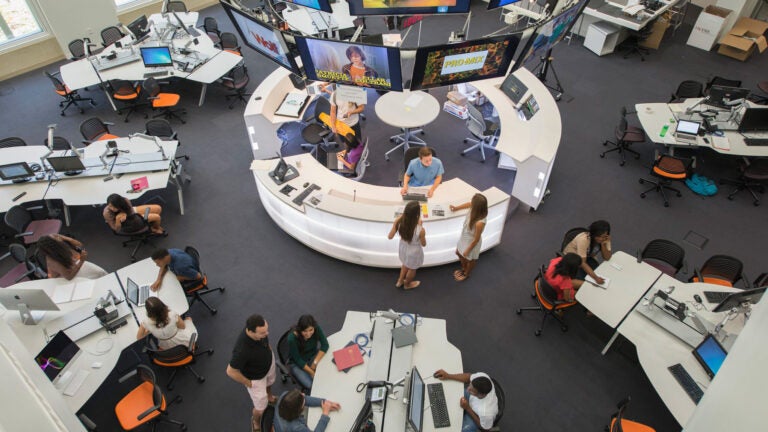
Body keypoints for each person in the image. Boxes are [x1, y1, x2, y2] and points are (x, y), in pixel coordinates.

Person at [227, 314, 277, 432]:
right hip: (256, 377)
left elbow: (266, 340)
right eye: (263, 333)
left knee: (270, 382)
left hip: (268, 365)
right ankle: (255, 422)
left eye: (267, 330)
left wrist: (269, 351)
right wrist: (248, 383)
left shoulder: (261, 332)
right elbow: (230, 371)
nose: (267, 334)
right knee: (260, 408)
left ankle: (270, 397)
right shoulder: (241, 350)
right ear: (250, 331)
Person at [433, 369, 498, 432]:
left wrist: (468, 408)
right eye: (470, 385)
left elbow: (485, 429)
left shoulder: (486, 413)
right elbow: (468, 377)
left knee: (462, 430)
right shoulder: (483, 376)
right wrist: (448, 376)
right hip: (471, 401)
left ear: (481, 395)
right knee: (452, 392)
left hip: (477, 415)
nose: (467, 389)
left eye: (471, 391)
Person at [387, 201, 426, 290]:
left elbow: (390, 237)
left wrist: (398, 220)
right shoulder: (420, 229)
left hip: (403, 248)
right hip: (414, 252)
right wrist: (420, 226)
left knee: (405, 264)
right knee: (412, 268)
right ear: (417, 214)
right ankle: (407, 284)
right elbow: (424, 244)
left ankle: (400, 281)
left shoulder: (398, 222)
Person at [449, 194, 488, 281]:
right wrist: (456, 208)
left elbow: (476, 239)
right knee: (459, 253)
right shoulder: (474, 208)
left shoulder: (479, 223)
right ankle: (464, 269)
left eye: (473, 202)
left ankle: (466, 273)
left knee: (470, 260)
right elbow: (468, 204)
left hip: (472, 242)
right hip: (465, 237)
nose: (471, 203)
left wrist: (468, 249)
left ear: (477, 207)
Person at [37, 234, 107, 280]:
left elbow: (79, 245)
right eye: (55, 237)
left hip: (71, 267)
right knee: (98, 274)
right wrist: (81, 261)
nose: (56, 236)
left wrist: (64, 238)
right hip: (62, 278)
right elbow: (69, 277)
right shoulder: (52, 261)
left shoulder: (60, 247)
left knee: (100, 272)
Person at [562, 220, 612, 284]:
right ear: (593, 234)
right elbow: (582, 263)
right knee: (587, 282)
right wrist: (596, 278)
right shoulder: (584, 239)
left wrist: (603, 245)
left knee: (600, 272)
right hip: (574, 260)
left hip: (587, 257)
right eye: (598, 236)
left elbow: (607, 257)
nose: (600, 239)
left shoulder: (605, 239)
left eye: (603, 236)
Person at [287, 315, 329, 390]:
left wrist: (315, 363)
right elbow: (298, 360)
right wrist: (312, 372)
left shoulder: (316, 328)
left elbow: (325, 345)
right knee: (311, 385)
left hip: (312, 356)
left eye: (311, 330)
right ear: (300, 330)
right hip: (297, 364)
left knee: (327, 373)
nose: (308, 334)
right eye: (305, 331)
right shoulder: (292, 339)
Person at [274, 389, 341, 432]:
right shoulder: (297, 428)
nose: (304, 394)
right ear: (299, 410)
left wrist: (325, 402)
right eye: (303, 403)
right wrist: (325, 414)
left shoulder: (285, 396)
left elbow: (304, 398)